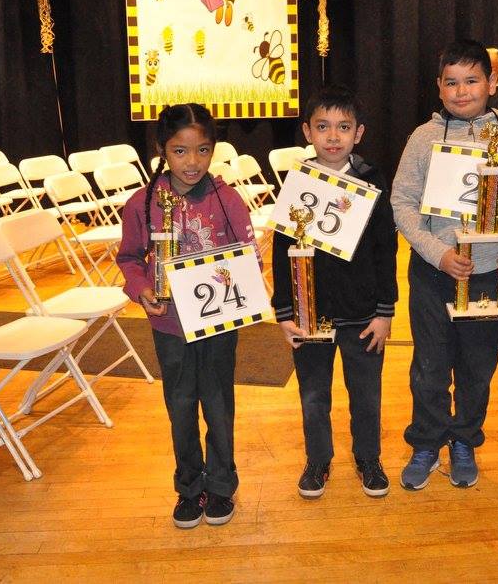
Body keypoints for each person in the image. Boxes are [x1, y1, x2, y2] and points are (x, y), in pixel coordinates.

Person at [390, 39, 498, 490]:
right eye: (452, 83)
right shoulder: (423, 139)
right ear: (438, 88)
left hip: (490, 275)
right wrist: (435, 252)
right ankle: (426, 441)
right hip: (434, 272)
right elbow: (402, 201)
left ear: (492, 82)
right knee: (429, 367)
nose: (462, 92)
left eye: (472, 80)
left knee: (478, 366)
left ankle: (464, 440)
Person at [116, 103, 255, 529]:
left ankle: (221, 485)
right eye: (180, 151)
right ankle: (189, 487)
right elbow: (128, 258)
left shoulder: (227, 198)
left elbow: (249, 259)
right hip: (169, 325)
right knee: (180, 407)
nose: (192, 162)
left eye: (202, 150)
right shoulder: (142, 203)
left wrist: (241, 282)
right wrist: (142, 290)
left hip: (217, 326)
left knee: (217, 403)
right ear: (161, 148)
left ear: (214, 150)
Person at [271, 84, 398, 499]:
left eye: (343, 127)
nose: (332, 136)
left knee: (366, 395)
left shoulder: (372, 179)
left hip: (363, 314)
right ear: (307, 131)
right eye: (322, 127)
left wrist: (385, 310)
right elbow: (280, 249)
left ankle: (368, 458)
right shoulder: (298, 181)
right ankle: (318, 461)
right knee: (313, 396)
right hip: (311, 314)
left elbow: (385, 247)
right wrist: (285, 310)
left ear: (358, 133)